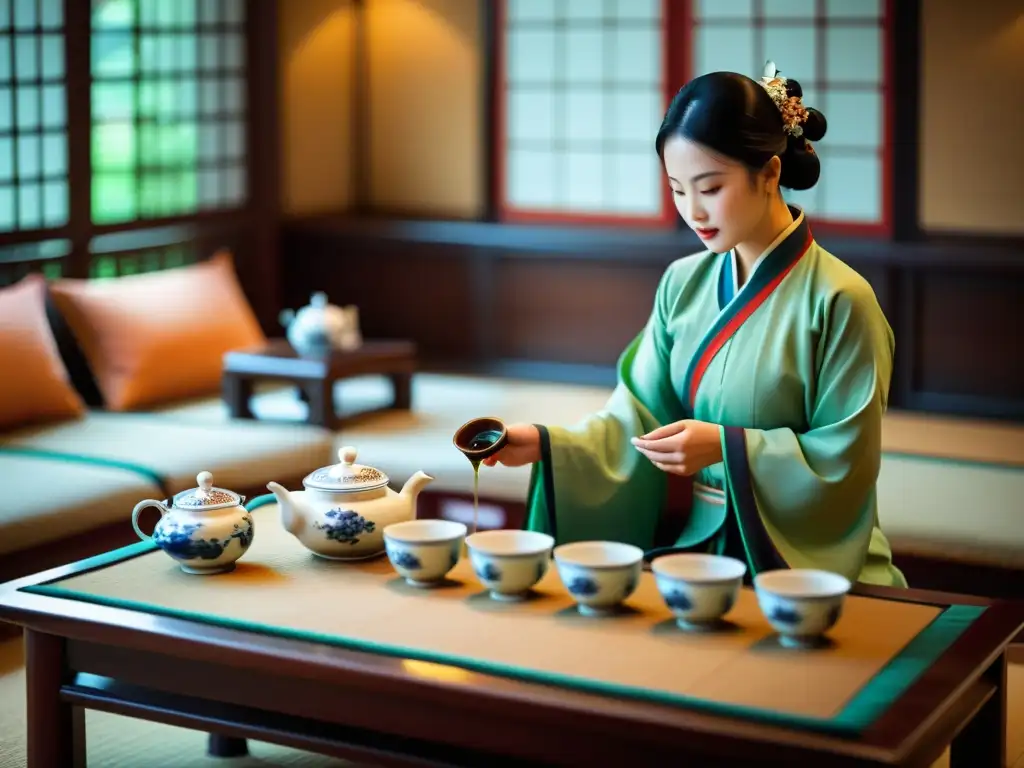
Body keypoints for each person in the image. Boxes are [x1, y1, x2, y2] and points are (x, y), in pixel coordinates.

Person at [482, 63, 907, 588]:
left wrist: (727, 447)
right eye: (678, 190)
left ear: (770, 174)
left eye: (710, 187)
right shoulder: (682, 283)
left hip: (810, 571)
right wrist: (550, 444)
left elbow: (843, 466)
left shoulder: (842, 300)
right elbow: (638, 417)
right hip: (703, 558)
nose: (693, 212)